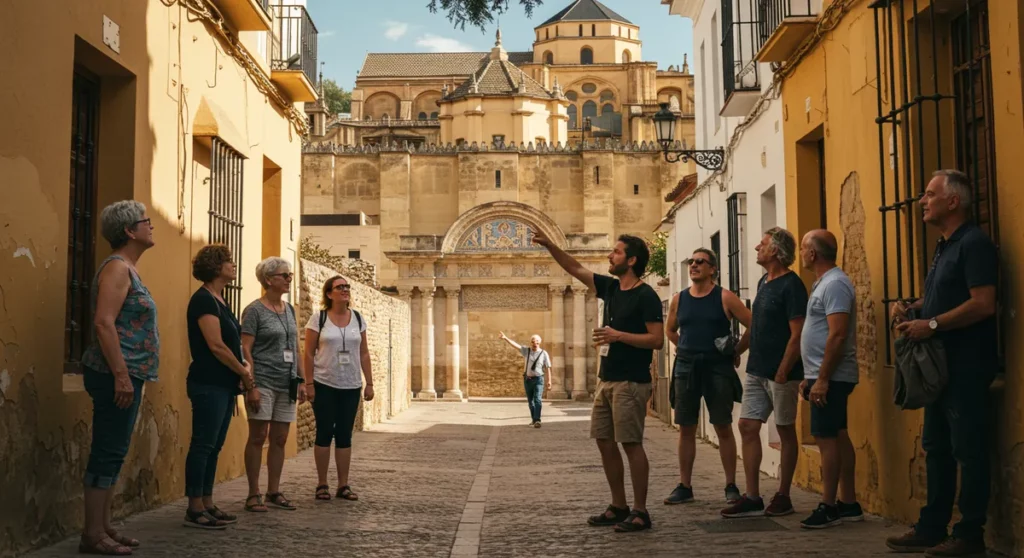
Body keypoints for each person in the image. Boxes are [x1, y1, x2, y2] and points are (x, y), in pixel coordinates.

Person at [886, 170, 998, 557]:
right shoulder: (943, 246)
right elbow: (947, 298)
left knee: (968, 449)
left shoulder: (974, 244)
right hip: (939, 368)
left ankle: (970, 534)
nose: (923, 200)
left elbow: (983, 303)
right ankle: (932, 526)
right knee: (936, 446)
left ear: (953, 202)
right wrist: (916, 308)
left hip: (966, 365)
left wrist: (931, 324)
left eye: (930, 194)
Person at [533, 231, 664, 533]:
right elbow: (575, 269)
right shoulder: (612, 288)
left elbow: (656, 340)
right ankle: (619, 506)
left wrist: (618, 336)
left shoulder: (646, 296)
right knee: (604, 442)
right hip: (607, 381)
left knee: (631, 444)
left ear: (631, 260)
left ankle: (641, 511)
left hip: (631, 382)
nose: (610, 256)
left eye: (616, 252)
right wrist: (551, 246)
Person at [79, 201, 160, 555]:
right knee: (107, 450)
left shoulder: (128, 268)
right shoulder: (116, 269)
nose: (151, 226)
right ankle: (92, 534)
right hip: (115, 374)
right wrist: (122, 376)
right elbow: (103, 322)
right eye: (146, 221)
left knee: (115, 451)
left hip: (127, 374)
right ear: (129, 231)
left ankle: (104, 526)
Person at [722, 228, 806, 518]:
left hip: (781, 373)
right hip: (757, 370)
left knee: (784, 430)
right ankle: (753, 495)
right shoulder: (763, 281)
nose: (757, 246)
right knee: (747, 425)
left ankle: (783, 495)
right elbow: (755, 324)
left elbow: (797, 333)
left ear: (776, 251)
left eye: (764, 243)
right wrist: (739, 350)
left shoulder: (792, 286)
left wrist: (784, 369)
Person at [663, 248, 750, 506]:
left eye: (700, 262)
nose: (694, 265)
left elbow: (753, 324)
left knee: (722, 425)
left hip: (717, 368)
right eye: (691, 261)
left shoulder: (725, 297)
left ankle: (731, 485)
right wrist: (685, 345)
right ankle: (685, 485)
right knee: (686, 427)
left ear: (713, 269)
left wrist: (736, 351)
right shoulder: (679, 299)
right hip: (686, 367)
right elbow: (669, 329)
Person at [797, 230, 864, 529]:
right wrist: (810, 375)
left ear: (813, 253)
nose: (800, 253)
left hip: (832, 376)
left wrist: (821, 379)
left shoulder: (835, 284)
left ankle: (828, 505)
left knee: (826, 439)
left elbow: (837, 334)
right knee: (837, 434)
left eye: (802, 248)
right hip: (823, 375)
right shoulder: (824, 283)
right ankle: (848, 503)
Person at [184, 244, 253, 529]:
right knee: (202, 445)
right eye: (228, 261)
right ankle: (194, 508)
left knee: (214, 446)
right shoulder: (203, 301)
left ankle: (208, 502)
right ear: (215, 267)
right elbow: (215, 345)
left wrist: (241, 370)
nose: (233, 265)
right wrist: (243, 371)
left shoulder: (220, 300)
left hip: (223, 385)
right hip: (208, 383)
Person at [240, 257, 305, 512]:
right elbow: (246, 349)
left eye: (290, 275)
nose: (289, 278)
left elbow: (296, 349)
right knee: (258, 436)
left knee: (280, 438)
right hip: (263, 381)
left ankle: (273, 491)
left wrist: (301, 380)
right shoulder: (254, 310)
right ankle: (253, 493)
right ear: (269, 280)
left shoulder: (289, 310)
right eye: (284, 275)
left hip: (286, 383)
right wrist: (251, 385)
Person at [303, 275, 374, 502]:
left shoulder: (358, 319)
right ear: (329, 293)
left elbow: (364, 352)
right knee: (324, 433)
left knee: (344, 435)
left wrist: (369, 382)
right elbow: (307, 352)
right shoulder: (319, 319)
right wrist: (309, 383)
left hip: (351, 385)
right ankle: (322, 483)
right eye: (339, 287)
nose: (345, 290)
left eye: (347, 287)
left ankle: (343, 485)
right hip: (324, 383)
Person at [498, 332, 552, 427]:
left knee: (537, 400)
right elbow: (515, 346)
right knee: (530, 401)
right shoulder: (527, 351)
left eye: (536, 342)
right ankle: (534, 419)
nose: (534, 344)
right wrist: (505, 338)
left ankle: (537, 420)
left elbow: (548, 367)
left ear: (540, 343)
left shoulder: (544, 353)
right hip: (527, 379)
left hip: (539, 379)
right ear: (530, 343)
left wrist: (549, 381)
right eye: (533, 342)